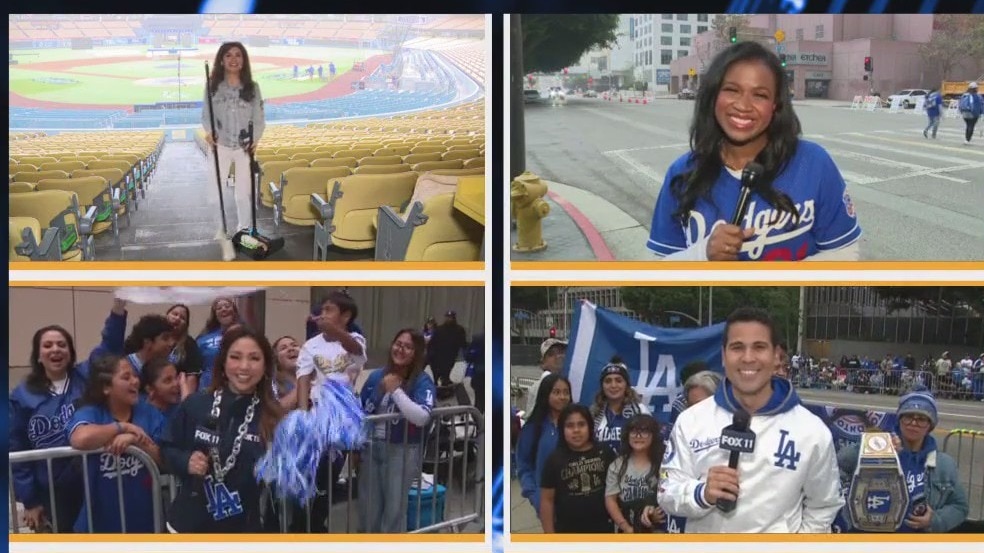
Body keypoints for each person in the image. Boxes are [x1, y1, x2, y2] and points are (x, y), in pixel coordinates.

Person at [647, 41, 861, 262]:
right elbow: (659, 268)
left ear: (775, 105)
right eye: (732, 90)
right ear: (713, 96)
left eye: (760, 95)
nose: (743, 106)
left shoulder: (813, 162)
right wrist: (702, 254)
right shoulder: (682, 173)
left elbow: (845, 252)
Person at [658, 307, 844, 532]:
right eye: (737, 347)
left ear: (776, 356)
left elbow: (824, 506)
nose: (748, 358)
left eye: (759, 347)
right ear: (724, 356)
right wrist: (702, 493)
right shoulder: (690, 421)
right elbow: (667, 491)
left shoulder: (812, 431)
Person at [9, 300, 128, 533]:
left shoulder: (86, 376)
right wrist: (30, 501)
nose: (55, 349)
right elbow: (16, 447)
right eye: (48, 345)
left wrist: (118, 307)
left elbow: (110, 345)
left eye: (62, 344)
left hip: (95, 479)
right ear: (38, 356)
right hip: (52, 491)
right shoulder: (21, 396)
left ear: (70, 352)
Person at [162, 326, 284, 533]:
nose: (244, 366)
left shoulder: (273, 417)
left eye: (254, 358)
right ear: (223, 362)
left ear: (265, 366)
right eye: (235, 357)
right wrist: (186, 461)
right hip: (187, 527)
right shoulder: (195, 404)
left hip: (243, 530)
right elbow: (167, 448)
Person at [835, 388, 968, 532]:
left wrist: (935, 520)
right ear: (899, 419)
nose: (913, 423)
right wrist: (872, 446)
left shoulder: (943, 464)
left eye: (921, 419)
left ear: (930, 425)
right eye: (908, 416)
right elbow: (840, 462)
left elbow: (960, 506)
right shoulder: (881, 446)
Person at [67, 354, 165, 533]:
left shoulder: (148, 412)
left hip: (145, 521)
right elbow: (80, 438)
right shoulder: (92, 412)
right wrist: (121, 427)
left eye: (135, 375)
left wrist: (135, 440)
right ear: (106, 387)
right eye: (126, 377)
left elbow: (163, 458)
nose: (135, 381)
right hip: (99, 524)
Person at [295, 290, 366, 533]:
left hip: (342, 422)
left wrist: (334, 331)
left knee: (328, 479)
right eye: (321, 309)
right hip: (317, 416)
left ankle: (318, 526)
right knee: (308, 478)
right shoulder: (310, 345)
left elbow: (356, 351)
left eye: (329, 310)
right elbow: (303, 378)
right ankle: (300, 528)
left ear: (345, 316)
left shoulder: (355, 339)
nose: (323, 314)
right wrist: (303, 413)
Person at [359, 329, 436, 533]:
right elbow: (362, 410)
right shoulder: (376, 376)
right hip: (372, 447)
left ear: (416, 353)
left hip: (402, 450)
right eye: (398, 344)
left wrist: (396, 391)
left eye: (408, 347)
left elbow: (422, 416)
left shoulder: (421, 381)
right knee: (368, 509)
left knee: (393, 511)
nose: (401, 349)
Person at [202, 41, 266, 237]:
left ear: (244, 60)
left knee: (243, 194)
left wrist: (255, 139)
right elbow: (206, 115)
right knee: (215, 194)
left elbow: (259, 118)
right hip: (219, 146)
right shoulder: (212, 86)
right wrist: (210, 131)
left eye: (238, 55)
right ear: (221, 60)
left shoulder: (253, 87)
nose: (233, 59)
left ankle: (244, 230)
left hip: (244, 147)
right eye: (228, 55)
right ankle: (220, 228)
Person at [539, 404, 615, 533]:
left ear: (590, 427)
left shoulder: (605, 452)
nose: (576, 430)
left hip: (603, 529)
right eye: (570, 426)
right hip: (567, 532)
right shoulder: (554, 460)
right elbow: (547, 500)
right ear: (562, 429)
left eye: (581, 424)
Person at [515, 374, 572, 518]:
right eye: (556, 392)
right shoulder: (533, 428)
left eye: (566, 392)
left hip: (577, 502)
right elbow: (523, 465)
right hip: (547, 504)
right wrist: (535, 496)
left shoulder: (577, 425)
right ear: (546, 394)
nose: (562, 397)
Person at [605, 414, 666, 534]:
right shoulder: (617, 466)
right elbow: (610, 499)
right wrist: (626, 527)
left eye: (644, 432)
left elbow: (668, 491)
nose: (638, 436)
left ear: (653, 436)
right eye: (633, 432)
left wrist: (656, 512)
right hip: (627, 529)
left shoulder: (664, 464)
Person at [590, 356, 651, 454]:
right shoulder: (593, 413)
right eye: (608, 381)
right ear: (602, 386)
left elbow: (651, 443)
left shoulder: (640, 411)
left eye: (618, 380)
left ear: (626, 385)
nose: (613, 385)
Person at [196, 297, 241, 391]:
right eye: (219, 308)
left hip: (237, 386)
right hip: (208, 387)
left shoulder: (246, 335)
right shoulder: (203, 339)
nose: (223, 309)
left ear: (234, 311)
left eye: (227, 306)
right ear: (215, 314)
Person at [164, 304, 203, 399]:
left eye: (182, 318)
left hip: (177, 395)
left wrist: (187, 402)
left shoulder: (189, 344)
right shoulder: (153, 337)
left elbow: (191, 376)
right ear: (166, 315)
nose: (177, 318)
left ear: (186, 325)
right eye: (175, 314)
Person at [122, 314, 176, 380]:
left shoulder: (171, 364)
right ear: (147, 342)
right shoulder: (124, 367)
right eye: (165, 338)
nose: (172, 343)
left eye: (172, 338)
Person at [524, 338, 567, 418]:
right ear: (543, 364)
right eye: (551, 354)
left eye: (561, 352)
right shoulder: (541, 385)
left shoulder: (568, 380)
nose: (558, 356)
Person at [427, 310, 468, 387]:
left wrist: (465, 352)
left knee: (446, 373)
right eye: (447, 317)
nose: (449, 319)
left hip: (450, 355)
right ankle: (437, 384)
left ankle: (445, 382)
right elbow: (432, 342)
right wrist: (430, 354)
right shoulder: (439, 329)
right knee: (436, 374)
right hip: (437, 356)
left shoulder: (459, 330)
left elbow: (463, 342)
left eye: (450, 317)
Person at [271, 336, 300, 411]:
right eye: (283, 348)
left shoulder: (316, 377)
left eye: (294, 345)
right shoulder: (271, 384)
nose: (291, 349)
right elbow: (275, 411)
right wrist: (302, 385)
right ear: (276, 359)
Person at [466, 332, 485, 413]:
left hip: (480, 373)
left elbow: (468, 356)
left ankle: (478, 418)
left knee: (479, 400)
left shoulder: (478, 338)